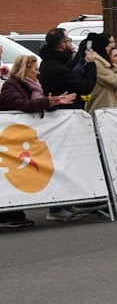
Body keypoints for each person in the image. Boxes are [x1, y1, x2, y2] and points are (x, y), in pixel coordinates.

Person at [0, 54, 79, 228]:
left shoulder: (35, 87)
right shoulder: (11, 86)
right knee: (12, 176)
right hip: (12, 140)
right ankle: (9, 215)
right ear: (25, 69)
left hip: (28, 139)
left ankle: (18, 212)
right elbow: (20, 104)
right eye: (35, 69)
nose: (38, 73)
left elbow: (39, 103)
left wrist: (54, 103)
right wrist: (48, 102)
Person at [38, 28, 96, 110]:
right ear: (62, 45)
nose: (71, 43)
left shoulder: (53, 62)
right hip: (65, 114)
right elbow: (84, 88)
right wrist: (90, 64)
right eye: (69, 40)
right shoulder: (56, 68)